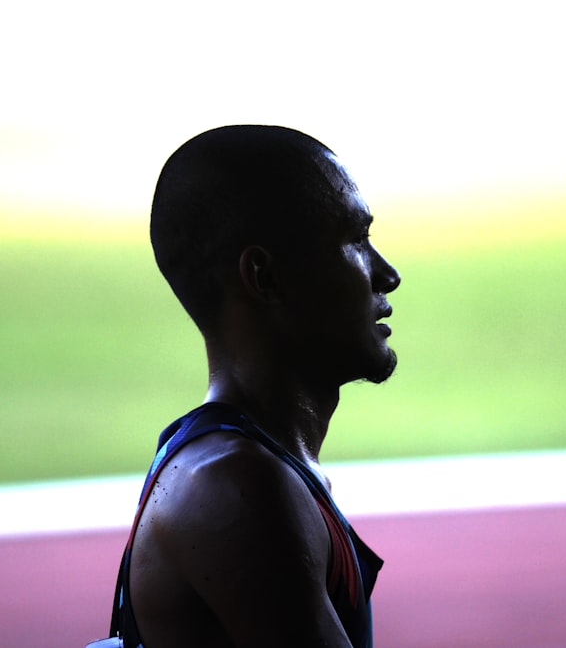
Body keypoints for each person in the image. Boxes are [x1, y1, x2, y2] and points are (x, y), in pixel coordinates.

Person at [90, 125, 402, 648]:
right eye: (354, 240)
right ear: (264, 276)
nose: (386, 274)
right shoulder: (238, 487)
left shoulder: (248, 465)